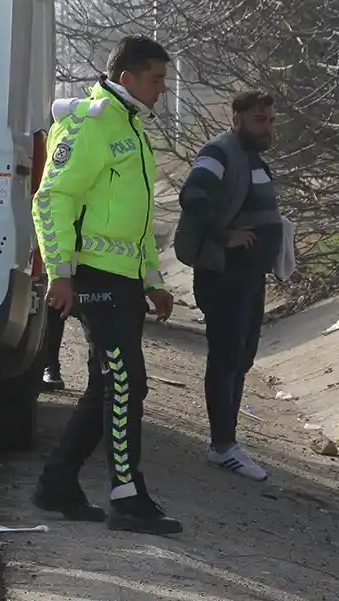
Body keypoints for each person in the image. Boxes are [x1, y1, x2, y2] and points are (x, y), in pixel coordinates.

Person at [30, 34, 180, 536]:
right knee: (124, 384)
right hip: (93, 278)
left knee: (108, 385)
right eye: (157, 79)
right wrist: (60, 272)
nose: (163, 89)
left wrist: (154, 280)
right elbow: (51, 200)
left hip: (124, 281)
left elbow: (137, 221)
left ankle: (57, 483)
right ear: (127, 79)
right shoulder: (87, 125)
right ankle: (126, 496)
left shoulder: (132, 127)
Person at [175, 89, 282, 483]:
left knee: (241, 357)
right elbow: (193, 193)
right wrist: (222, 235)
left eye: (270, 120)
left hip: (250, 277)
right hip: (223, 275)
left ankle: (227, 442)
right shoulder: (219, 152)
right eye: (258, 119)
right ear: (236, 119)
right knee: (225, 357)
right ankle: (223, 447)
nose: (267, 127)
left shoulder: (253, 158)